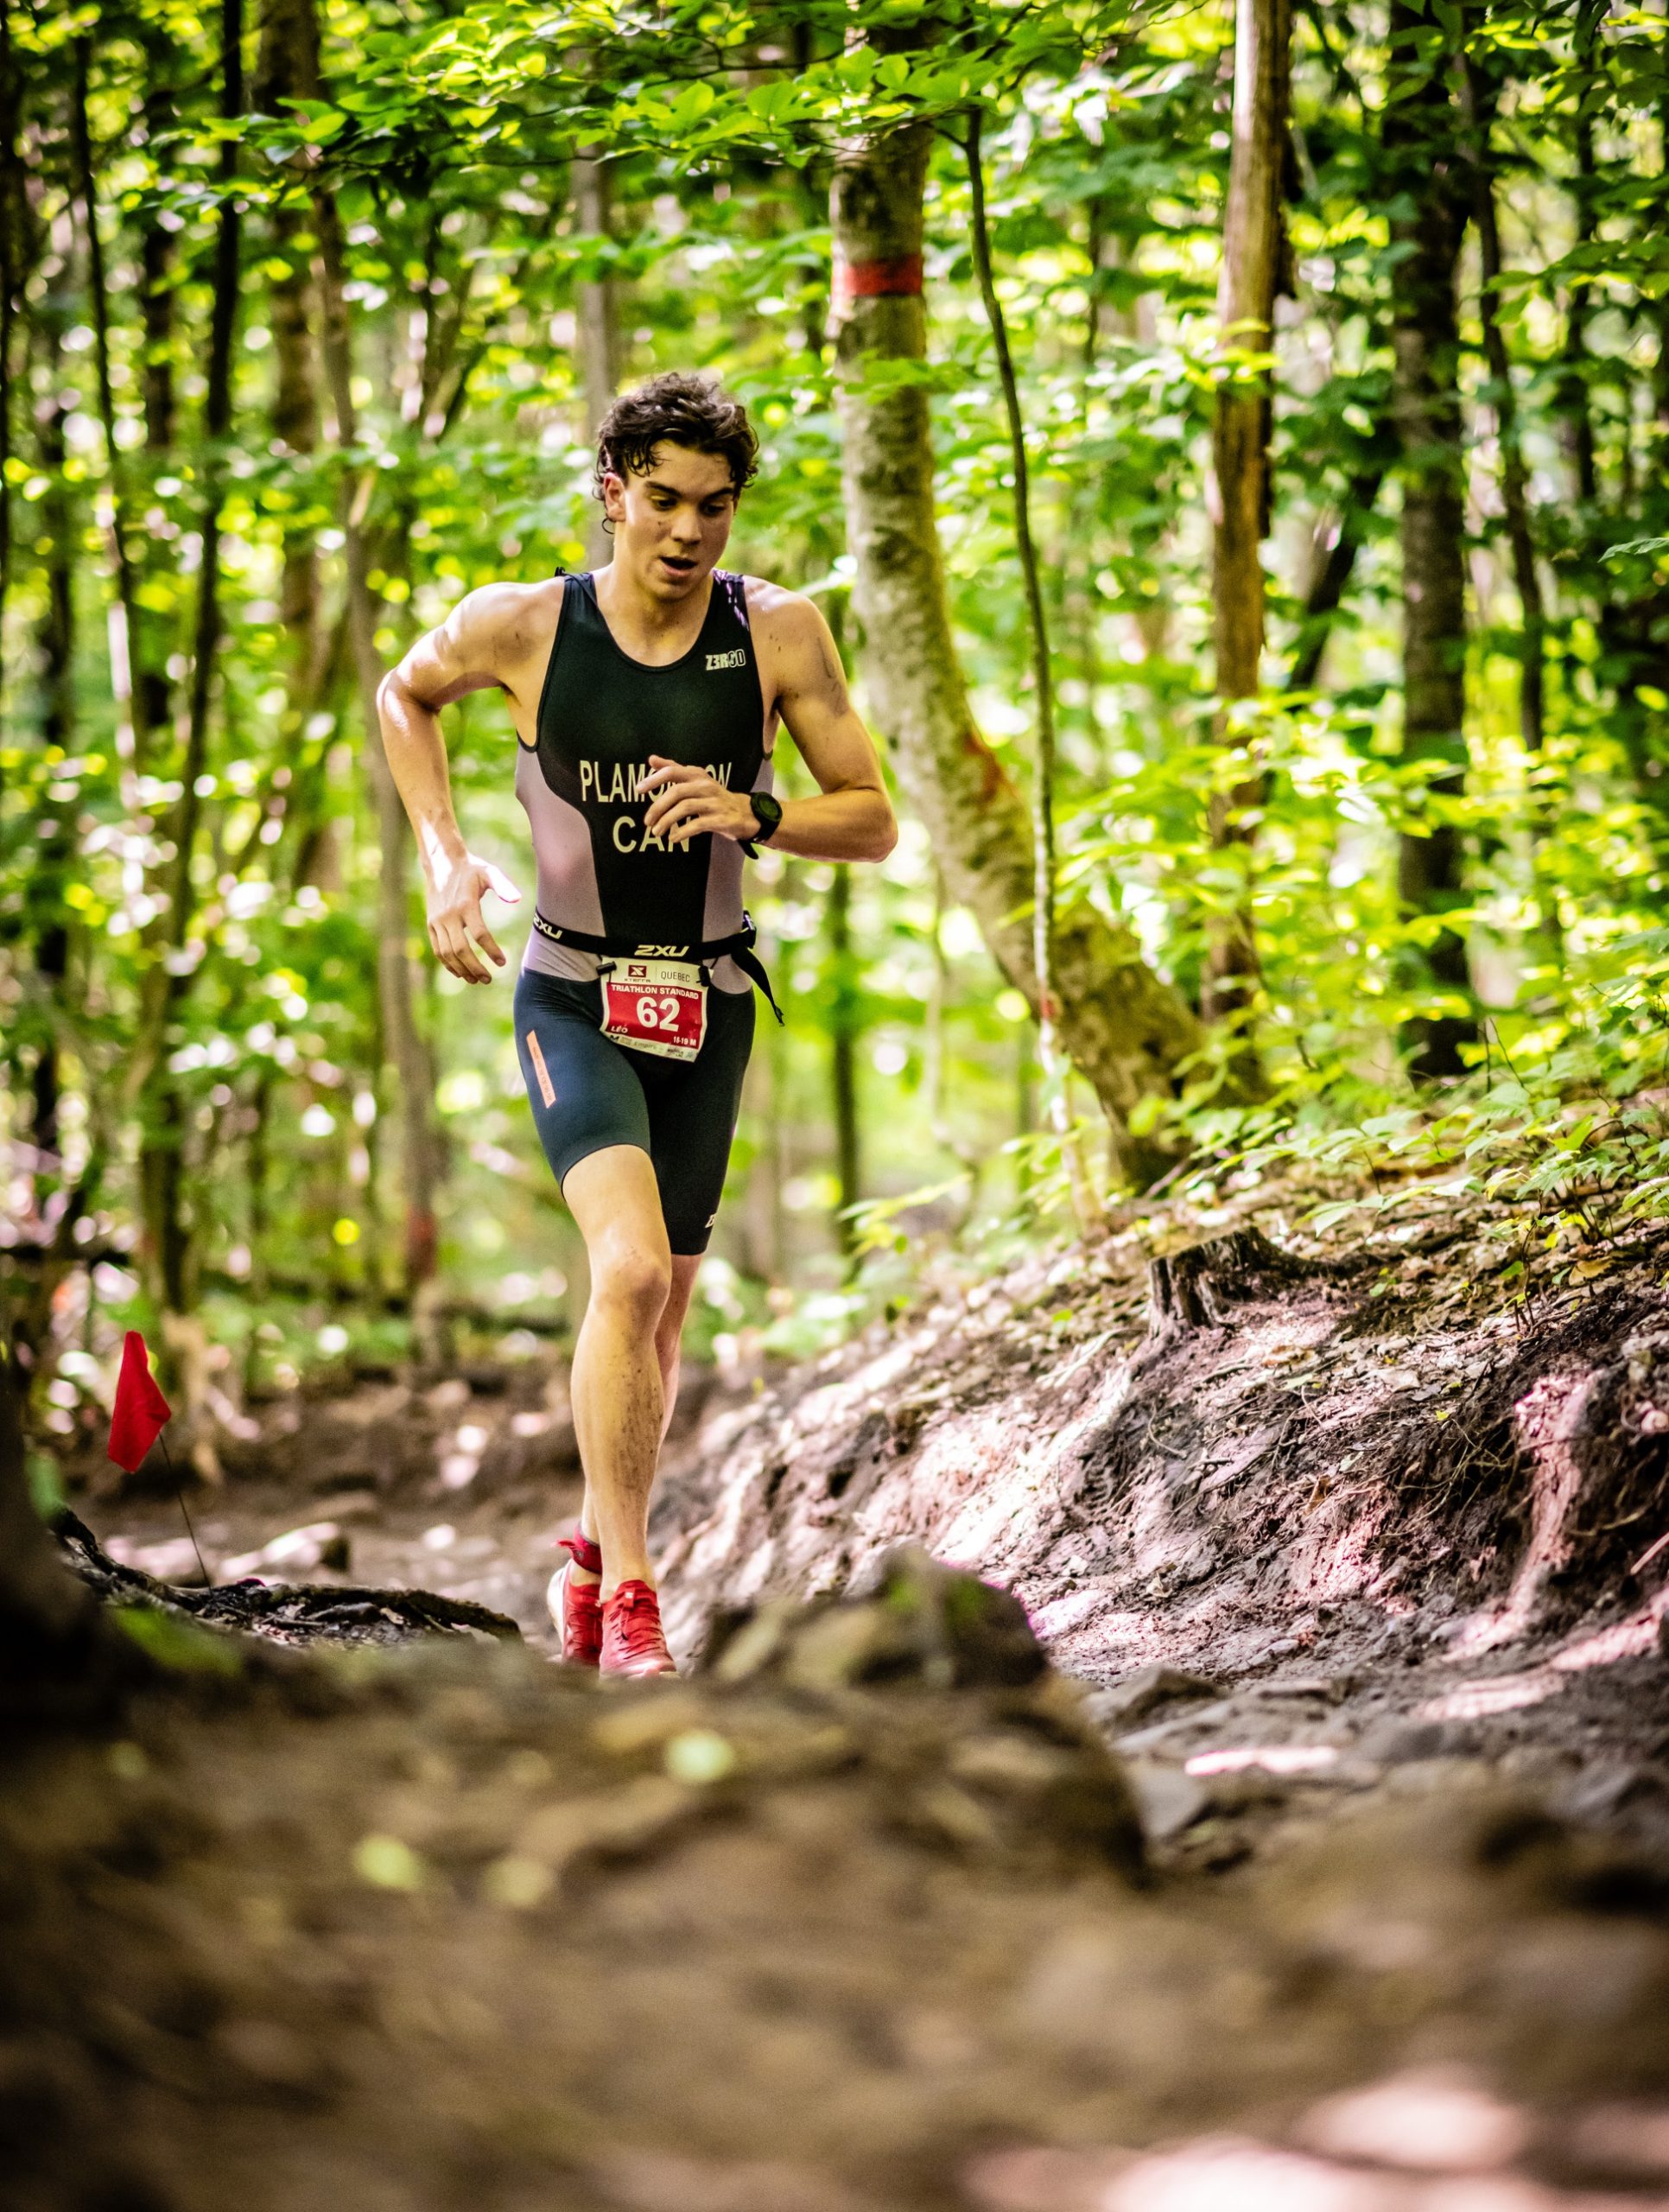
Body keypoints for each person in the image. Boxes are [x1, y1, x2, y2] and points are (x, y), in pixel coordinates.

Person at [377, 372, 897, 1678]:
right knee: (625, 1272)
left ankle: (593, 1562)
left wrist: (754, 814)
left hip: (710, 1004)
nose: (685, 531)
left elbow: (875, 818)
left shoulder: (778, 635)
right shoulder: (522, 627)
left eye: (714, 508)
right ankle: (635, 1607)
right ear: (611, 492)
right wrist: (443, 856)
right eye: (661, 500)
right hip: (572, 994)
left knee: (659, 1320)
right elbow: (404, 696)